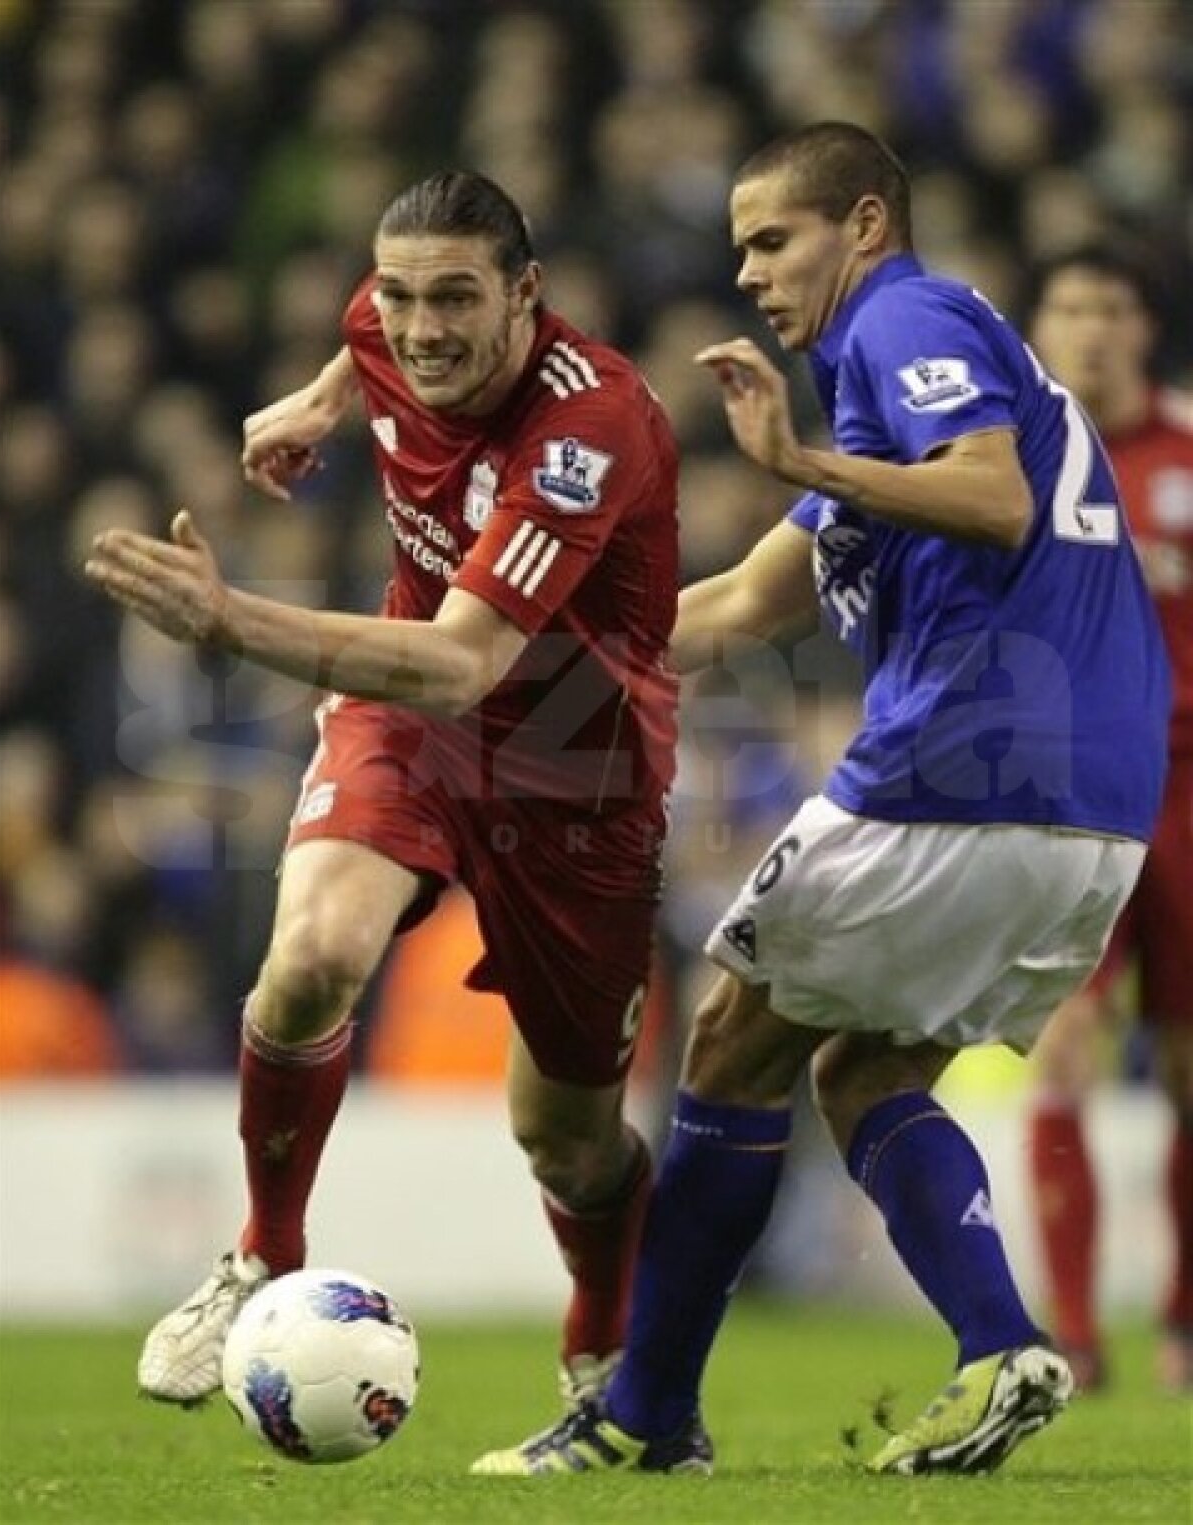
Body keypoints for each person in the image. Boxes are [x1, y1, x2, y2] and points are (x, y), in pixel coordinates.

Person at [471, 121, 1169, 1479]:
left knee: (731, 1040)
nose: (749, 273)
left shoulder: (909, 324)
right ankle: (1001, 1343)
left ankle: (642, 1416)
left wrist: (802, 462)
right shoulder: (890, 404)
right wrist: (506, 670)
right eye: (737, 247)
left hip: (967, 759)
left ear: (862, 226)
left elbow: (994, 498)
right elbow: (736, 604)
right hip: (1093, 811)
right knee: (869, 1068)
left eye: (773, 239)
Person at [85, 171, 680, 1436]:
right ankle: (261, 1251)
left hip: (576, 774)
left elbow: (469, 660)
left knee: (568, 1139)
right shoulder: (390, 315)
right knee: (311, 955)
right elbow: (369, 343)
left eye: (457, 299)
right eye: (401, 296)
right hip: (405, 723)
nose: (422, 330)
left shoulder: (592, 430)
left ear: (528, 296)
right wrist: (314, 401)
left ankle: (603, 1336)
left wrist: (231, 616)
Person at [1023, 245, 1193, 1394]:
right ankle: (1075, 1335)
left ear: (1145, 329)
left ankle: (1182, 1317)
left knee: (1185, 1069)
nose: (1088, 328)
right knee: (1064, 1051)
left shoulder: (1186, 455)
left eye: (1110, 308)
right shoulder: (1009, 460)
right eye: (1067, 306)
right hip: (1063, 789)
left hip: (1185, 789)